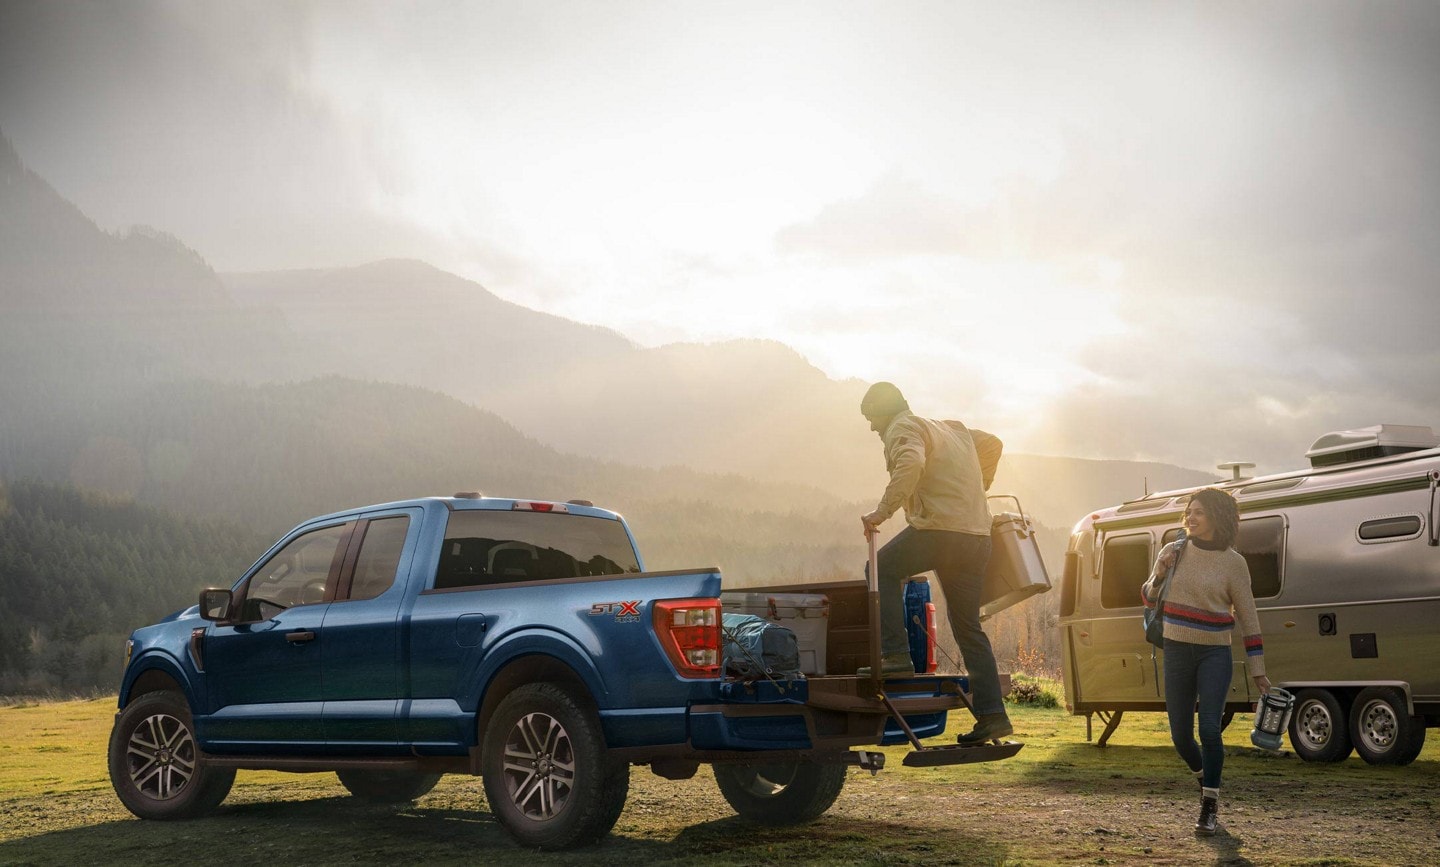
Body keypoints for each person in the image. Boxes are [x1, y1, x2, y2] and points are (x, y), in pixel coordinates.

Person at [856, 381, 1011, 744]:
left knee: (880, 569)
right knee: (969, 629)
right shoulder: (952, 429)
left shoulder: (903, 428)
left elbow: (910, 463)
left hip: (940, 532)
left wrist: (882, 512)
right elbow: (992, 444)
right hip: (977, 537)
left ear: (884, 410)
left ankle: (895, 655)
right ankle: (993, 715)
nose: (872, 427)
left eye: (871, 418)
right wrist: (977, 488)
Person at [1142, 487, 1270, 837]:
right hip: (1177, 651)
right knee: (1181, 737)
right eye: (1189, 511)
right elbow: (1149, 596)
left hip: (1215, 653)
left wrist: (1258, 671)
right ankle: (1205, 780)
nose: (1191, 518)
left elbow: (1249, 617)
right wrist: (1159, 572)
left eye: (1199, 512)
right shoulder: (1174, 550)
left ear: (1217, 517)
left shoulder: (1234, 563)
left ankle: (1210, 804)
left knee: (1209, 729)